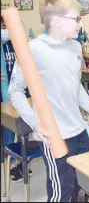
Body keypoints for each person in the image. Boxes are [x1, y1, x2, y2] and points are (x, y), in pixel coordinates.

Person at [8, 0, 89, 202]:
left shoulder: (75, 47)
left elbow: (76, 86)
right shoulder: (34, 49)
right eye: (76, 18)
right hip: (56, 136)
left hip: (80, 132)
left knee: (83, 187)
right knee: (62, 191)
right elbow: (15, 91)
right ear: (56, 21)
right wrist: (35, 123)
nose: (80, 24)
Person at [1, 16, 32, 182]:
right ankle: (10, 162)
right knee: (8, 129)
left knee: (24, 128)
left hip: (23, 92)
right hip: (5, 94)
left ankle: (21, 163)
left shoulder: (20, 43)